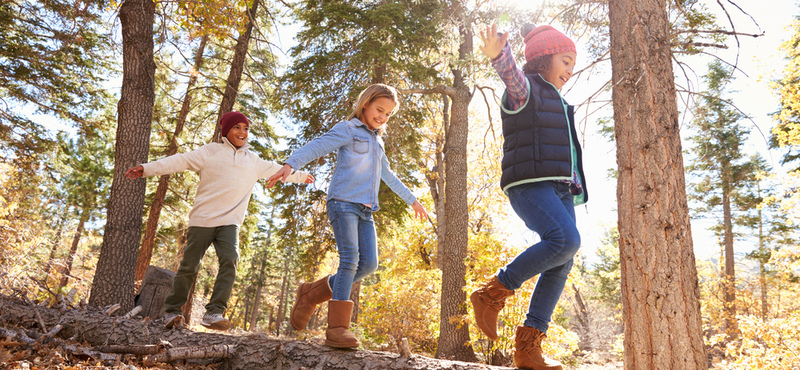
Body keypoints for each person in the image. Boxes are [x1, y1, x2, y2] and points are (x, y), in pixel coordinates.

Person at [267, 83, 428, 348]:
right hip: (343, 203)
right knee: (350, 259)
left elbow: (388, 175)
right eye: (379, 110)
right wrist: (290, 164)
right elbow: (318, 145)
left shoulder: (378, 142)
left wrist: (413, 200)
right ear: (365, 104)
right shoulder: (348, 129)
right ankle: (338, 328)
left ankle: (310, 294)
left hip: (365, 209)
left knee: (369, 264)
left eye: (388, 114)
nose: (382, 117)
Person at [125, 111, 314, 331]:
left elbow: (278, 170)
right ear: (226, 130)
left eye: (245, 128)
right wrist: (147, 168)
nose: (242, 132)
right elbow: (179, 161)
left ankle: (214, 312)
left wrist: (300, 176)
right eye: (237, 127)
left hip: (229, 222)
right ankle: (172, 311)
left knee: (231, 259)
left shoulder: (253, 161)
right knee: (189, 266)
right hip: (202, 220)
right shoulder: (210, 152)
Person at [470, 23, 588, 370]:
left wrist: (575, 182)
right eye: (565, 61)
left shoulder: (561, 101)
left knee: (563, 260)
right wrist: (500, 56)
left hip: (562, 188)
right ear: (542, 60)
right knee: (564, 240)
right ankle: (492, 293)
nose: (570, 70)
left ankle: (528, 348)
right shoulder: (527, 90)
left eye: (573, 65)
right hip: (530, 184)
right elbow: (511, 78)